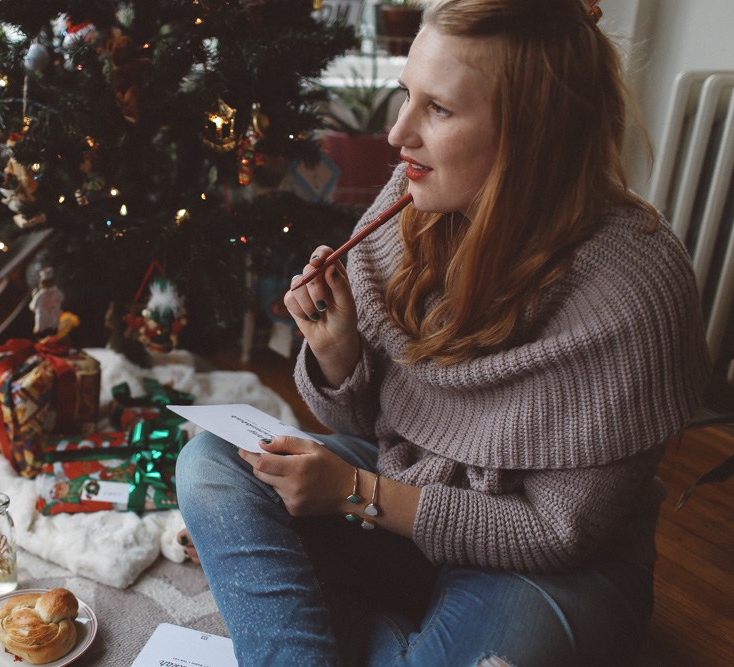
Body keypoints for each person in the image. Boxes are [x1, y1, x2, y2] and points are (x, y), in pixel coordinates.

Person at [175, 1, 711, 665]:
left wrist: (354, 492)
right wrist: (340, 354)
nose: (399, 133)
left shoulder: (639, 285)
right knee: (211, 462)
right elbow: (372, 426)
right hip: (406, 509)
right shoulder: (414, 199)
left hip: (547, 569)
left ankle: (299, 618)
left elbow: (558, 532)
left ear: (534, 133)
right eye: (407, 95)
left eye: (440, 109)